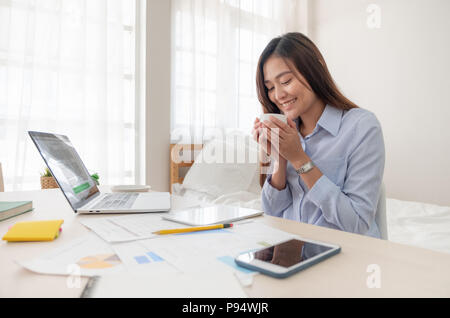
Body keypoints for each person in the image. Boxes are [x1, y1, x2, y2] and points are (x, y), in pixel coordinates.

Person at [252, 32, 385, 238]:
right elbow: (272, 213)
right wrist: (280, 157)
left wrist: (299, 159)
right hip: (294, 253)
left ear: (315, 71)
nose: (277, 95)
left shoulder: (362, 127)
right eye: (270, 87)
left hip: (347, 255)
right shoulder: (288, 130)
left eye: (286, 81)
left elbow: (357, 224)